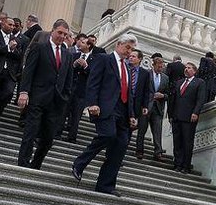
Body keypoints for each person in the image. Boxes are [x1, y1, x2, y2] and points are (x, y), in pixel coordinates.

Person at [72, 33, 139, 196]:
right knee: (108, 135)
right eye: (127, 47)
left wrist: (131, 115)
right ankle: (79, 163)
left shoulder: (128, 67)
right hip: (106, 108)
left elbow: (129, 93)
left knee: (121, 145)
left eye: (132, 49)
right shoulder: (104, 59)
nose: (129, 52)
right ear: (118, 44)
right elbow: (93, 82)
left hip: (122, 112)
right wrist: (92, 103)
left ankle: (105, 185)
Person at [16, 19, 73, 169]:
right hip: (37, 97)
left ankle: (36, 164)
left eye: (65, 34)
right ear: (52, 31)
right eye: (59, 32)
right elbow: (28, 72)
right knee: (31, 131)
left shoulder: (67, 54)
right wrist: (24, 92)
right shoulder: (39, 47)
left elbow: (68, 79)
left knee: (48, 138)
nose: (62, 36)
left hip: (56, 102)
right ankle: (23, 162)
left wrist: (65, 97)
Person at [167, 62, 206, 174]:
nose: (186, 70)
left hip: (189, 117)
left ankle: (186, 165)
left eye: (189, 68)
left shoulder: (199, 83)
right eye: (185, 68)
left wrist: (196, 112)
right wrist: (170, 115)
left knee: (187, 142)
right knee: (177, 141)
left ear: (194, 71)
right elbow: (173, 99)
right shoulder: (179, 82)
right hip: (177, 116)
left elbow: (200, 99)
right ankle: (177, 164)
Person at [136, 54, 169, 161]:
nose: (161, 68)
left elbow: (169, 93)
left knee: (157, 131)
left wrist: (163, 96)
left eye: (162, 66)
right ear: (153, 65)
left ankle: (158, 153)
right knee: (142, 129)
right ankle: (139, 150)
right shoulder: (146, 74)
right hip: (146, 106)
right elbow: (141, 90)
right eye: (159, 66)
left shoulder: (165, 78)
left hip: (158, 108)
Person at [63, 33, 93, 143]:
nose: (80, 43)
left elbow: (93, 75)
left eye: (83, 42)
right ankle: (57, 132)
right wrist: (74, 65)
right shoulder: (74, 55)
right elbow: (67, 70)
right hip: (70, 88)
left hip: (82, 91)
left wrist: (86, 66)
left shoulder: (94, 59)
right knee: (63, 111)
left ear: (89, 46)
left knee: (76, 116)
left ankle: (72, 136)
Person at [127, 49, 153, 154]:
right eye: (130, 56)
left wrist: (145, 106)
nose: (131, 58)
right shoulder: (125, 69)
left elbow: (146, 91)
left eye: (133, 56)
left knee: (129, 130)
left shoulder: (145, 73)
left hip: (136, 104)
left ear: (140, 59)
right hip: (124, 102)